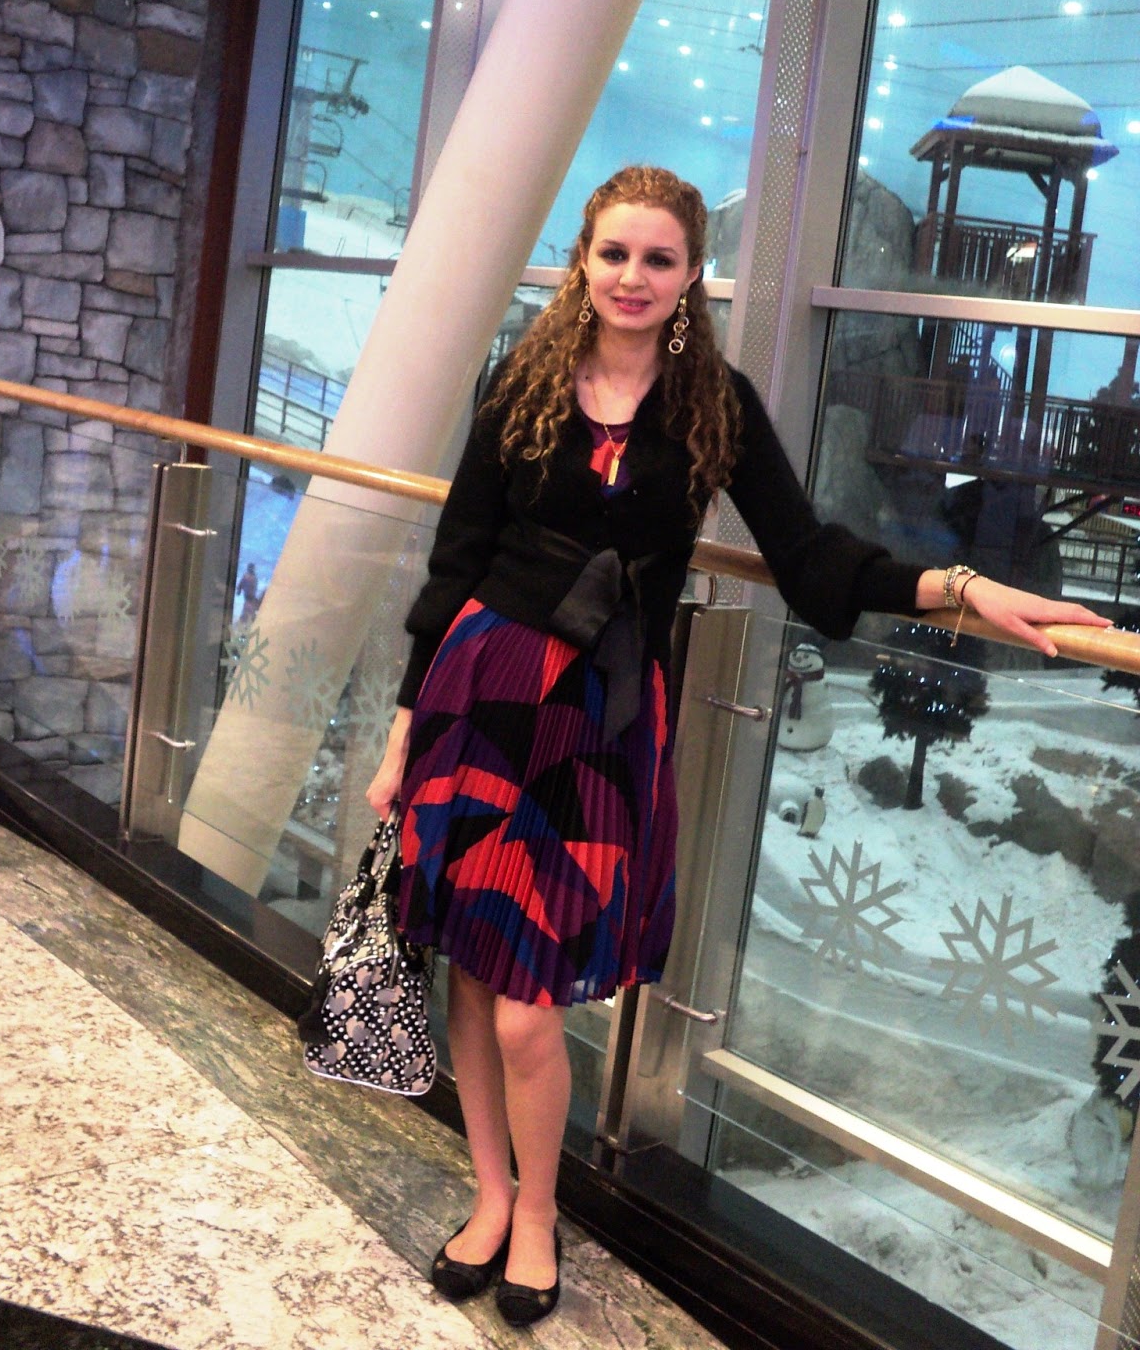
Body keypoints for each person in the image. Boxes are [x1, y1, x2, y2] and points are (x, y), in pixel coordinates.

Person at [365, 165, 1108, 1326]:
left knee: (526, 999)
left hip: (600, 723)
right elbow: (456, 559)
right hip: (482, 691)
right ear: (584, 259)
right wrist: (403, 729)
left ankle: (542, 1212)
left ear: (689, 275)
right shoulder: (523, 379)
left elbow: (808, 558)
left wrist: (962, 588)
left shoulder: (714, 403)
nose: (633, 277)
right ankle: (493, 1193)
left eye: (658, 259)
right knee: (473, 961)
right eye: (615, 253)